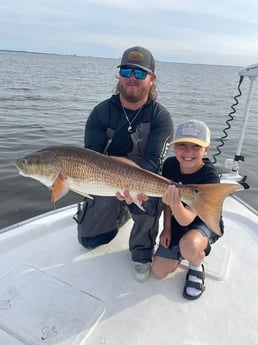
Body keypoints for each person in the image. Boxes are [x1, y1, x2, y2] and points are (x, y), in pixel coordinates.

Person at [74, 46, 174, 282]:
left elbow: (152, 162)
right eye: (126, 71)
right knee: (89, 240)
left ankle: (141, 249)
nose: (132, 78)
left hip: (143, 181)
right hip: (104, 180)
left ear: (152, 79)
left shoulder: (160, 117)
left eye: (140, 73)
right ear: (119, 75)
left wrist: (131, 188)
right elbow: (90, 160)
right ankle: (121, 215)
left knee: (149, 202)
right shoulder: (101, 113)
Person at [152, 119, 223, 300]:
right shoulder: (169, 165)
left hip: (204, 222)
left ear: (206, 150)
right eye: (182, 145)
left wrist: (176, 204)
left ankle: (196, 263)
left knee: (189, 245)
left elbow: (187, 219)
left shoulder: (209, 177)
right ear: (174, 148)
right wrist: (167, 228)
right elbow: (167, 202)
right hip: (177, 221)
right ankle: (184, 251)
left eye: (196, 147)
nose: (188, 152)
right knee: (158, 271)